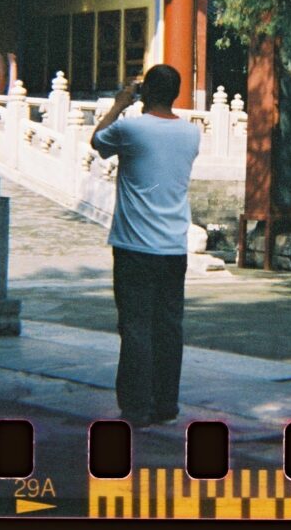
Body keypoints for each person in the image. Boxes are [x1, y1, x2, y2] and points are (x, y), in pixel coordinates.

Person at [91, 65, 201, 428]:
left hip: (134, 246)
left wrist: (120, 103)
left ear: (147, 92)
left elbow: (97, 141)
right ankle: (166, 402)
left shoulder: (130, 128)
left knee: (136, 326)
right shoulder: (191, 132)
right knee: (169, 327)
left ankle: (136, 406)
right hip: (173, 246)